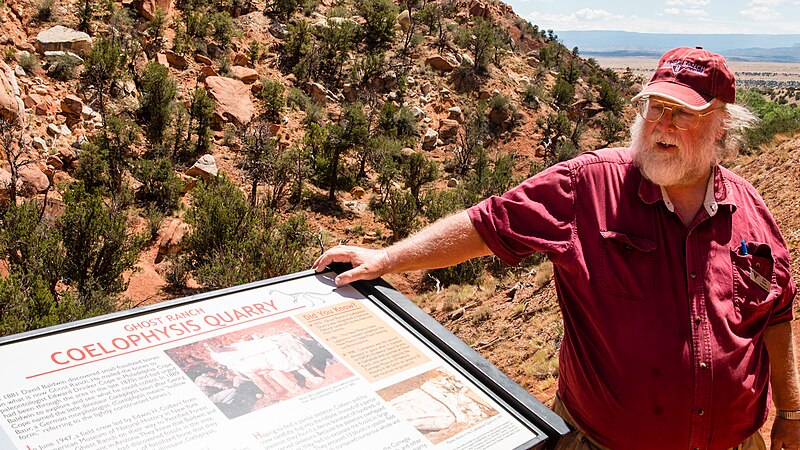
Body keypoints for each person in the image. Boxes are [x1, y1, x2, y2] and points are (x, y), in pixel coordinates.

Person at [313, 47, 800, 449]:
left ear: (722, 127)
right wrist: (387, 258)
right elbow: (486, 225)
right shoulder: (587, 184)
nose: (662, 125)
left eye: (684, 115)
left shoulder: (749, 206)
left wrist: (793, 409)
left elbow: (776, 310)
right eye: (656, 108)